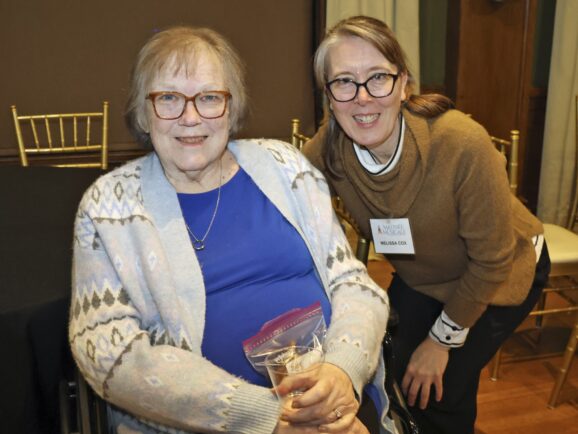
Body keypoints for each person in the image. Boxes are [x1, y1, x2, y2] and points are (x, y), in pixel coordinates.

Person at [69, 26, 395, 434]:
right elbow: (105, 350)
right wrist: (268, 416)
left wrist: (341, 372)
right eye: (168, 98)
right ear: (143, 110)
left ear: (231, 106)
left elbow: (354, 283)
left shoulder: (285, 165)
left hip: (334, 401)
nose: (190, 117)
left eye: (209, 98)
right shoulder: (108, 207)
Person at [302, 16, 550, 434]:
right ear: (329, 96)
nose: (362, 98)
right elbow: (281, 178)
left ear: (404, 85)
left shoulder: (460, 143)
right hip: (425, 271)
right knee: (388, 362)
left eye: (378, 77)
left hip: (504, 270)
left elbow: (492, 261)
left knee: (439, 387)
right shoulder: (334, 145)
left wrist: (440, 343)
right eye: (344, 82)